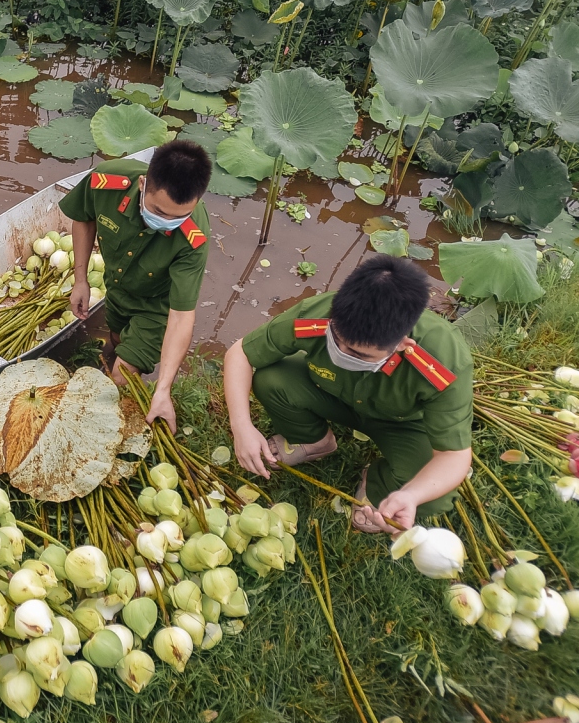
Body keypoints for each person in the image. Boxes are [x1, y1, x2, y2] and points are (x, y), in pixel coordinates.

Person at [222, 255, 473, 533]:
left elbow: (453, 456)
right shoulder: (317, 314)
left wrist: (411, 495)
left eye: (358, 354)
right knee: (270, 379)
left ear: (403, 344)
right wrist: (241, 425)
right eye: (337, 341)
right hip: (332, 396)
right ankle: (313, 441)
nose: (342, 353)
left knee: (435, 496)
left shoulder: (442, 360)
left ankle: (377, 483)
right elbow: (241, 353)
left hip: (401, 424)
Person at [61, 139, 213, 430]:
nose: (166, 222)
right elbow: (83, 219)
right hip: (117, 290)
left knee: (120, 376)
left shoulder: (194, 237)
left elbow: (181, 317)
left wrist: (164, 389)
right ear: (143, 184)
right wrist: (80, 280)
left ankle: (102, 423)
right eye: (159, 211)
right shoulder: (105, 181)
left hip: (156, 307)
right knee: (117, 340)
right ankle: (123, 364)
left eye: (178, 217)